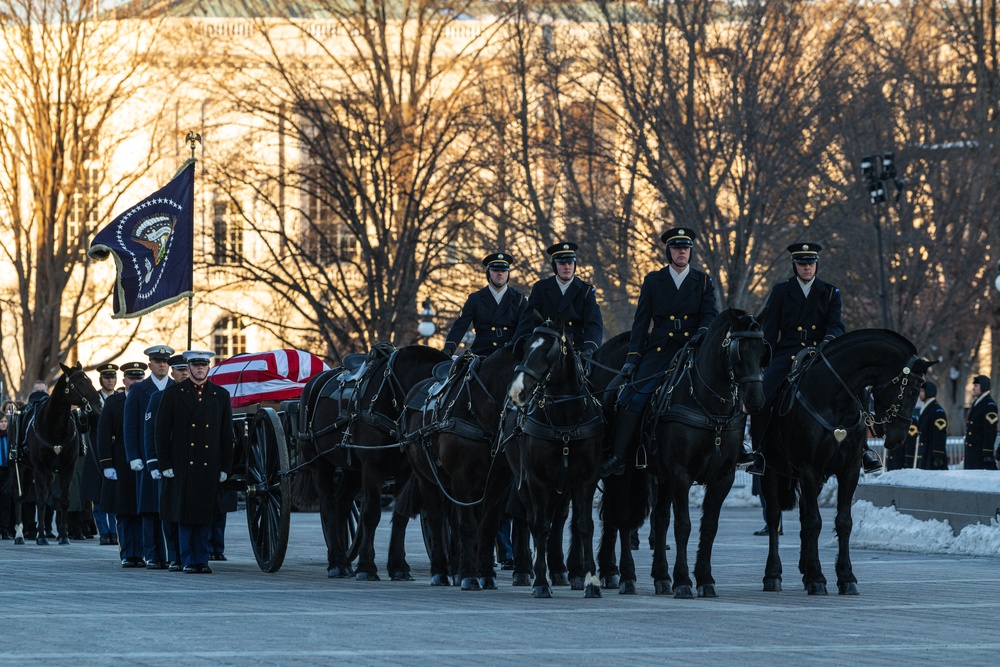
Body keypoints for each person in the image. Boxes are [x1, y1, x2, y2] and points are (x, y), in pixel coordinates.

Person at [746, 242, 881, 474]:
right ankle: (759, 452)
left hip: (821, 353)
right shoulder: (781, 290)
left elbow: (836, 324)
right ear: (795, 265)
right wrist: (765, 357)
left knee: (856, 392)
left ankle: (863, 450)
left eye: (811, 263)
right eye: (802, 263)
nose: (807, 268)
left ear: (816, 265)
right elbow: (770, 328)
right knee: (763, 397)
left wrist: (829, 340)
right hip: (787, 354)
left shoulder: (830, 292)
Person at [599, 227, 717, 477]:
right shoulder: (654, 280)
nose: (682, 252)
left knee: (721, 389)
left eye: (685, 248)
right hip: (660, 349)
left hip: (692, 348)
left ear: (690, 252)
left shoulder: (703, 280)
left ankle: (729, 451)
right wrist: (633, 358)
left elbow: (710, 314)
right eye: (677, 248)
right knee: (634, 397)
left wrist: (703, 331)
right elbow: (641, 322)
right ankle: (619, 456)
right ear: (669, 252)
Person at [155, 350, 234, 574]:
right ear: (188, 368)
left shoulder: (220, 395)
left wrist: (225, 467)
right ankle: (188, 559)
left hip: (209, 464)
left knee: (204, 515)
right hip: (182, 463)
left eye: (204, 366)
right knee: (184, 514)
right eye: (196, 366)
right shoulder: (173, 393)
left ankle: (202, 559)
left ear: (208, 368)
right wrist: (165, 464)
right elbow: (161, 432)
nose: (200, 369)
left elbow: (226, 435)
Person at [124, 344, 175, 569]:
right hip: (145, 458)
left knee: (169, 509)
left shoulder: (176, 388)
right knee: (149, 509)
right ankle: (152, 555)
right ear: (150, 365)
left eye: (165, 362)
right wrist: (133, 455)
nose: (162, 365)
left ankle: (173, 554)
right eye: (157, 361)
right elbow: (131, 425)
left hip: (170, 458)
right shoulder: (138, 390)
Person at [512, 241, 603, 360]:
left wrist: (590, 348)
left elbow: (594, 324)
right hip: (546, 349)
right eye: (562, 263)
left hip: (576, 350)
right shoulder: (541, 288)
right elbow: (528, 320)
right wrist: (515, 346)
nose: (567, 267)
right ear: (555, 265)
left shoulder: (585, 290)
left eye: (570, 263)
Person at [99, 361, 147, 567]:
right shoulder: (114, 402)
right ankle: (128, 553)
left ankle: (143, 553)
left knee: (143, 510)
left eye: (139, 378)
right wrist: (107, 464)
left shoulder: (150, 398)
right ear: (124, 380)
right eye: (132, 378)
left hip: (144, 459)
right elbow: (103, 435)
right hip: (120, 460)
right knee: (124, 511)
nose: (135, 382)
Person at [144, 354, 189, 570]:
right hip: (168, 465)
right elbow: (151, 433)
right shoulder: (159, 397)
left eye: (186, 370)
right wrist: (154, 463)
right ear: (173, 372)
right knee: (170, 513)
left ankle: (189, 555)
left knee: (190, 512)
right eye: (180, 370)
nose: (184, 373)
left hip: (190, 465)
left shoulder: (199, 397)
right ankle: (174, 555)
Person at [443, 252, 527, 357]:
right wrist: (448, 349)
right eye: (495, 270)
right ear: (488, 273)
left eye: (504, 270)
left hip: (510, 354)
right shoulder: (475, 299)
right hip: (482, 353)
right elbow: (460, 326)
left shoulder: (519, 299)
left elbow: (524, 328)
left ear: (508, 273)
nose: (500, 273)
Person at [964, 375, 998, 470]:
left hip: (980, 451)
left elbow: (990, 430)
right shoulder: (977, 402)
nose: (973, 388)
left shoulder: (989, 405)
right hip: (973, 451)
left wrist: (987, 452)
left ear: (983, 386)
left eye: (976, 386)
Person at [914, 381, 948, 470]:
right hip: (925, 452)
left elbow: (939, 435)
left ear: (928, 391)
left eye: (922, 391)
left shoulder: (937, 411)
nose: (919, 393)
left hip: (931, 454)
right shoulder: (926, 408)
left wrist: (938, 455)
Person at [0, 415, 12, 539]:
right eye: (1, 422)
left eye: (5, 421)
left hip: (6, 470)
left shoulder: (9, 437)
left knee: (6, 502)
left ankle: (5, 530)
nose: (3, 424)